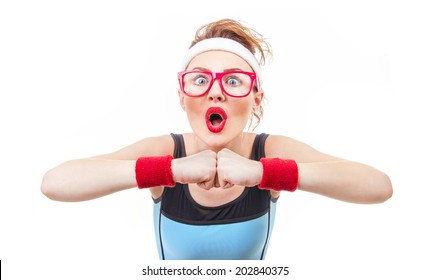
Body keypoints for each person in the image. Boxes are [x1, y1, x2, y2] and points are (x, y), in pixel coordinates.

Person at [41, 18, 393, 260]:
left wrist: (264, 174)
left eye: (233, 81)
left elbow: (378, 186)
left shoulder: (269, 151)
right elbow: (56, 183)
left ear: (256, 97)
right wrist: (169, 170)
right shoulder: (167, 151)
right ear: (182, 96)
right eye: (199, 80)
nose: (215, 94)